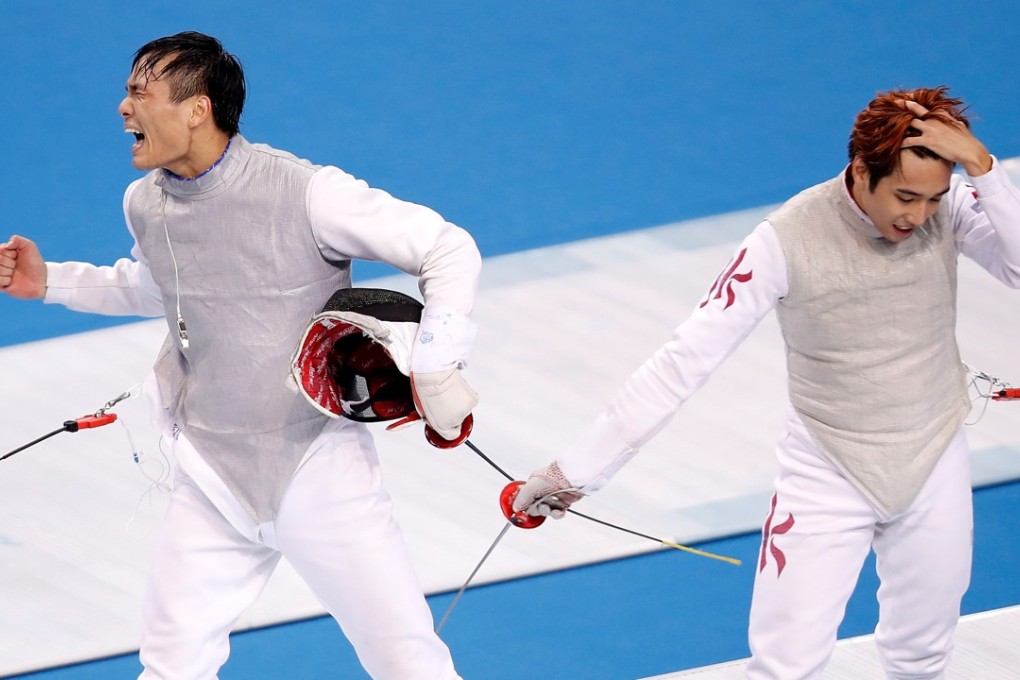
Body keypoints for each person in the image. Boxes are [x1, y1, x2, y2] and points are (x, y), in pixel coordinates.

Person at [0, 32, 479, 679]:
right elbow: (160, 286)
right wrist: (49, 281)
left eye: (140, 90)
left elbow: (448, 248)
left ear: (197, 108)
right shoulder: (146, 203)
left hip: (316, 466)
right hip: (209, 473)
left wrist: (435, 364)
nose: (123, 107)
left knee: (406, 661)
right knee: (170, 667)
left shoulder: (308, 192)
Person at [513, 86, 1020, 679]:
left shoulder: (950, 206)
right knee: (785, 668)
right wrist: (575, 472)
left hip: (935, 456)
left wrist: (984, 169)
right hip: (830, 471)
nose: (919, 216)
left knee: (924, 656)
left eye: (933, 199)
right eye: (905, 196)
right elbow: (684, 361)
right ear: (861, 170)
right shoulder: (784, 240)